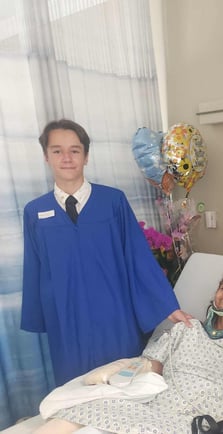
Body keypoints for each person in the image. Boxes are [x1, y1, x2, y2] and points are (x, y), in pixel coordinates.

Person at [21, 119, 192, 386]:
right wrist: (39, 315)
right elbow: (34, 267)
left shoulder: (113, 202)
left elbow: (138, 257)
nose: (66, 158)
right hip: (66, 316)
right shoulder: (35, 211)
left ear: (86, 156)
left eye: (75, 150)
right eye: (57, 151)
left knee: (123, 382)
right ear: (46, 156)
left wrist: (168, 307)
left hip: (114, 310)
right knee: (76, 387)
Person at [34, 269, 223, 434]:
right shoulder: (187, 328)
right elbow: (153, 365)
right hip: (158, 403)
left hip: (205, 417)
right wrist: (124, 373)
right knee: (83, 412)